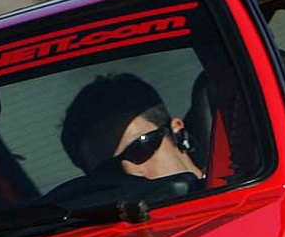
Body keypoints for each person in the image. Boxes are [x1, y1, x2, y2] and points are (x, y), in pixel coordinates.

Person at [61, 72, 204, 184]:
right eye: (109, 171)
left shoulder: (226, 189)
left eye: (141, 149)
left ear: (178, 133)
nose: (132, 172)